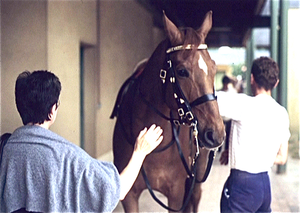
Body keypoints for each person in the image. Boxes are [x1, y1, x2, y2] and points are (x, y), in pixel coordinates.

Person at [0, 70, 163, 213]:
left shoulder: (5, 147)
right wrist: (140, 151)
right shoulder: (67, 155)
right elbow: (117, 191)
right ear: (52, 111)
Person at [217, 57, 290, 212]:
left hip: (242, 185)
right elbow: (282, 158)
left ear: (252, 79)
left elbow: (208, 98)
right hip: (265, 186)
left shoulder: (243, 104)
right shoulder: (282, 113)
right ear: (276, 83)